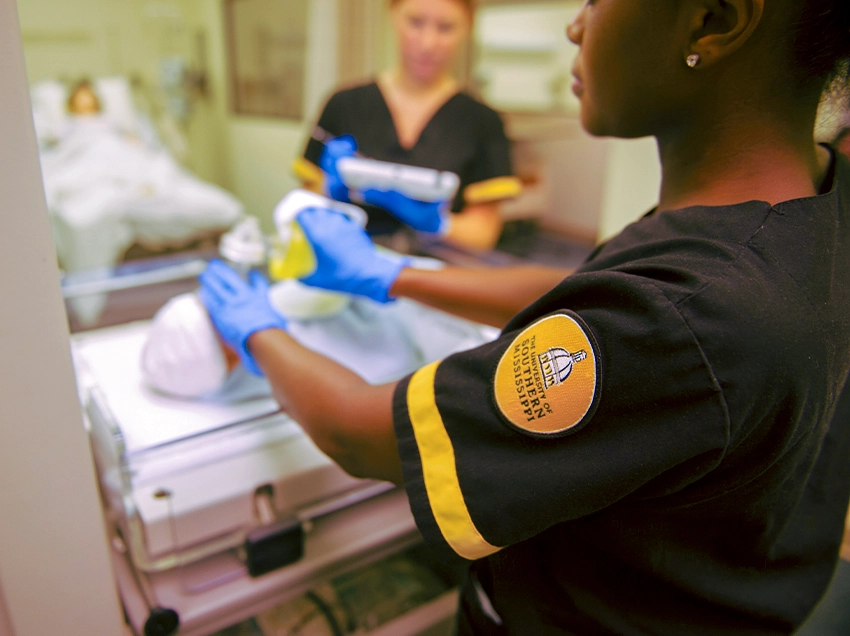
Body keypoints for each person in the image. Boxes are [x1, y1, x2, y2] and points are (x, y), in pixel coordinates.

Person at [199, 0, 850, 632]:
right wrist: (395, 275)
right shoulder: (804, 205)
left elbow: (358, 432)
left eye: (595, 0)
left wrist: (256, 325)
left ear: (712, 19)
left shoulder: (689, 317)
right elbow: (604, 287)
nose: (574, 25)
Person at [292, 0, 522, 251]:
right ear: (392, 15)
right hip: (346, 263)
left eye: (445, 28)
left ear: (467, 28)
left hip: (436, 277)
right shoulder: (343, 104)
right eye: (415, 22)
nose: (427, 44)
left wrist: (439, 224)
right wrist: (330, 189)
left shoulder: (482, 122)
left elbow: (483, 233)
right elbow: (307, 200)